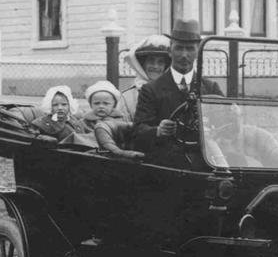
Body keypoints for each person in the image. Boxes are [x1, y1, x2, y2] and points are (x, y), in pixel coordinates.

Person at [131, 19, 221, 164]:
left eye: (190, 49)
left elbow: (226, 127)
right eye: (179, 48)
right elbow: (137, 131)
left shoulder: (211, 88)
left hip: (206, 160)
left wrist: (234, 116)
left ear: (198, 52)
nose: (184, 55)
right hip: (167, 165)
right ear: (170, 51)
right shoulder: (151, 90)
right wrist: (158, 131)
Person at [82, 80, 144, 160]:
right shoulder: (86, 121)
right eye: (96, 103)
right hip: (94, 154)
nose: (101, 106)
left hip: (117, 153)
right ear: (90, 105)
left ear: (114, 105)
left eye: (106, 103)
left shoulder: (120, 119)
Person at [120, 35, 171, 119]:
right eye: (151, 61)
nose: (155, 66)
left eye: (160, 62)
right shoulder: (127, 97)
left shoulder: (173, 91)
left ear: (166, 66)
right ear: (142, 64)